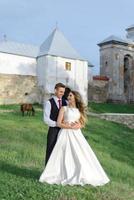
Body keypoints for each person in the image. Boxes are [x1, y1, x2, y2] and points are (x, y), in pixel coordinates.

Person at [39, 90, 110, 186]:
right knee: (64, 153)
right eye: (68, 96)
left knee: (80, 153)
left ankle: (80, 172)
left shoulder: (79, 110)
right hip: (65, 133)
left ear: (75, 97)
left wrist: (79, 126)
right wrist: (69, 126)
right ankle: (61, 174)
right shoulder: (64, 109)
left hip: (77, 135)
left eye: (70, 96)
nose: (68, 97)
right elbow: (59, 123)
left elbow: (82, 123)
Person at [43, 83, 80, 165]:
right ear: (55, 90)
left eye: (63, 92)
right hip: (53, 130)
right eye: (60, 91)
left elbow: (71, 113)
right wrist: (58, 123)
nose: (62, 94)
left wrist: (73, 123)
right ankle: (47, 172)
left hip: (65, 131)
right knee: (51, 149)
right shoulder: (49, 103)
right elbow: (46, 119)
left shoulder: (65, 102)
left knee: (62, 152)